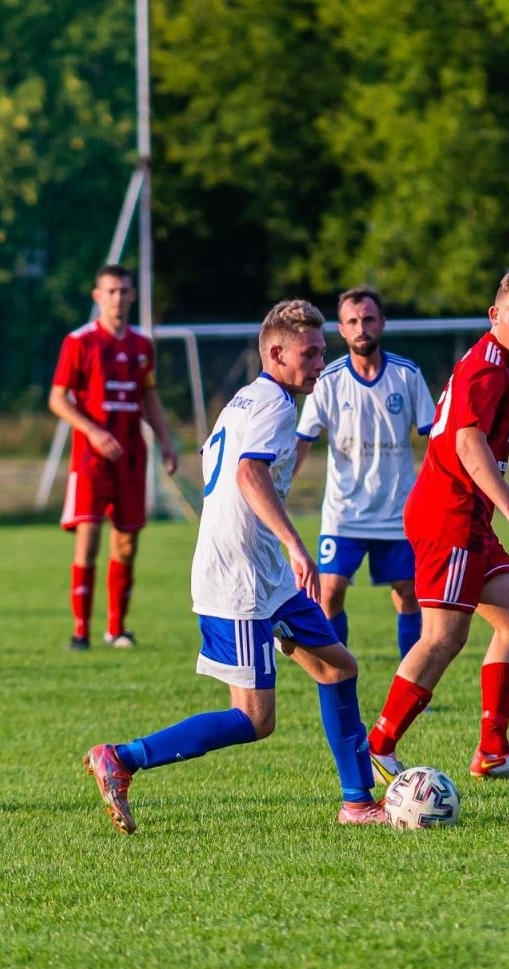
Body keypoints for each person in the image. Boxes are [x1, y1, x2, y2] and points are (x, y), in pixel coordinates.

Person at [83, 299, 386, 832]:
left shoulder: (245, 400)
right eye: (310, 353)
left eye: (322, 352)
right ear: (275, 351)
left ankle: (358, 804)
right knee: (253, 718)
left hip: (265, 574)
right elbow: (249, 474)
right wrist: (294, 543)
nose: (320, 363)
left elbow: (218, 463)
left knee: (339, 667)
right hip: (240, 577)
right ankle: (122, 757)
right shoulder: (275, 405)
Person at [366, 269, 509, 784]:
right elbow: (466, 445)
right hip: (448, 515)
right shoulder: (489, 372)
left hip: (469, 516)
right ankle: (378, 747)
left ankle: (493, 751)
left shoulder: (496, 362)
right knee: (443, 637)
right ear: (495, 314)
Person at [294, 286, 434, 662]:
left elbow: (434, 440)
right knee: (329, 592)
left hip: (396, 511)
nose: (361, 327)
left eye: (368, 319)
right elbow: (303, 438)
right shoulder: (328, 379)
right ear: (340, 329)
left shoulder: (406, 375)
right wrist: (280, 486)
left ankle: (411, 680)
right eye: (353, 321)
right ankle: (339, 675)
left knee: (408, 592)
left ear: (382, 324)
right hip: (344, 512)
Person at [48, 264, 178, 651]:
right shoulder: (80, 342)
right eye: (111, 291)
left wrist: (166, 441)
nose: (118, 298)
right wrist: (93, 431)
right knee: (87, 540)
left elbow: (149, 397)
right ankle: (80, 631)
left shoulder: (142, 346)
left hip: (131, 458)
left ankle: (117, 629)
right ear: (97, 296)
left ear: (133, 295)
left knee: (126, 544)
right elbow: (57, 398)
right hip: (90, 460)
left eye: (124, 291)